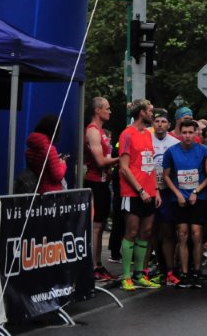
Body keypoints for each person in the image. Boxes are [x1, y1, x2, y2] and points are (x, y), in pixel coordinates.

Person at [162, 119, 207, 288]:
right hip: (179, 198)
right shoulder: (171, 151)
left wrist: (196, 191)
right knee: (182, 234)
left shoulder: (203, 151)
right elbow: (166, 175)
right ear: (180, 133)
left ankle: (197, 271)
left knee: (196, 234)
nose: (187, 136)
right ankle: (184, 272)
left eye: (190, 132)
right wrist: (177, 194)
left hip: (198, 197)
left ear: (196, 133)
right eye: (184, 132)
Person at [118, 100, 160, 291]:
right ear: (142, 113)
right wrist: (140, 190)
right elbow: (124, 167)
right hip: (133, 193)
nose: (153, 114)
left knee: (146, 232)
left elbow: (150, 164)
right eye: (150, 111)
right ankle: (126, 276)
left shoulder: (148, 134)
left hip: (149, 192)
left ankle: (139, 274)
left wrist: (155, 190)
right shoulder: (127, 134)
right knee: (132, 232)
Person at [84, 97, 117, 281]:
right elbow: (100, 161)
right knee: (96, 226)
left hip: (104, 182)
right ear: (97, 110)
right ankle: (92, 266)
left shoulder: (102, 131)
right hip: (95, 181)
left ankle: (97, 263)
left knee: (101, 224)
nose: (110, 111)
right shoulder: (92, 131)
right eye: (107, 108)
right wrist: (122, 158)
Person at [150, 110, 180, 284]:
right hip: (150, 190)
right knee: (151, 231)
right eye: (157, 121)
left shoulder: (175, 143)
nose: (160, 124)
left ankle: (169, 269)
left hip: (168, 191)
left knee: (167, 231)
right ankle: (156, 266)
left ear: (169, 125)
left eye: (163, 121)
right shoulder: (147, 140)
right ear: (153, 124)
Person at [25, 115, 67, 193]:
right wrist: (62, 164)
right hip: (51, 192)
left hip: (35, 190)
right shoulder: (50, 149)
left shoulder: (30, 149)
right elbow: (57, 176)